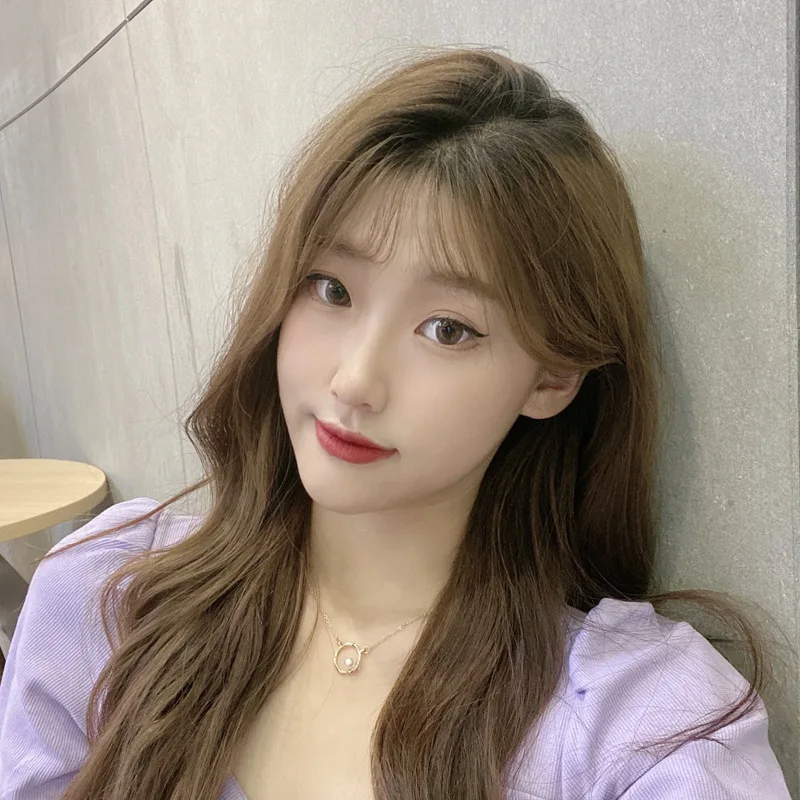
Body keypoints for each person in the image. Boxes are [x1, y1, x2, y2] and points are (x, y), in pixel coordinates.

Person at [0, 47, 792, 800]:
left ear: (552, 377)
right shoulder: (103, 604)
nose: (354, 381)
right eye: (331, 289)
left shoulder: (642, 727)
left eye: (448, 329)